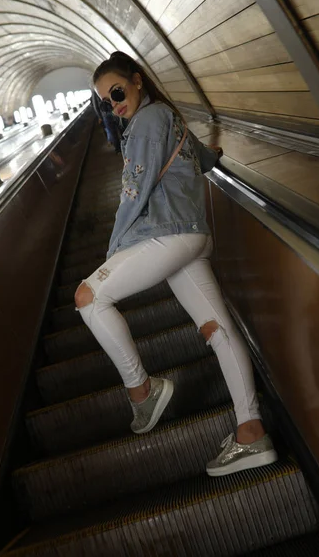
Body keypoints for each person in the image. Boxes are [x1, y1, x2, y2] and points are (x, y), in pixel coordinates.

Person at [75, 51, 278, 476]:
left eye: (117, 92)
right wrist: (216, 155)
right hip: (192, 237)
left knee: (89, 297)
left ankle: (142, 391)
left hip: (166, 236)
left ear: (137, 81)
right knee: (218, 331)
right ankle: (251, 432)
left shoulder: (147, 122)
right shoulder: (168, 116)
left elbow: (133, 193)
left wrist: (115, 251)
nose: (114, 104)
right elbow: (203, 159)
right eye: (106, 102)